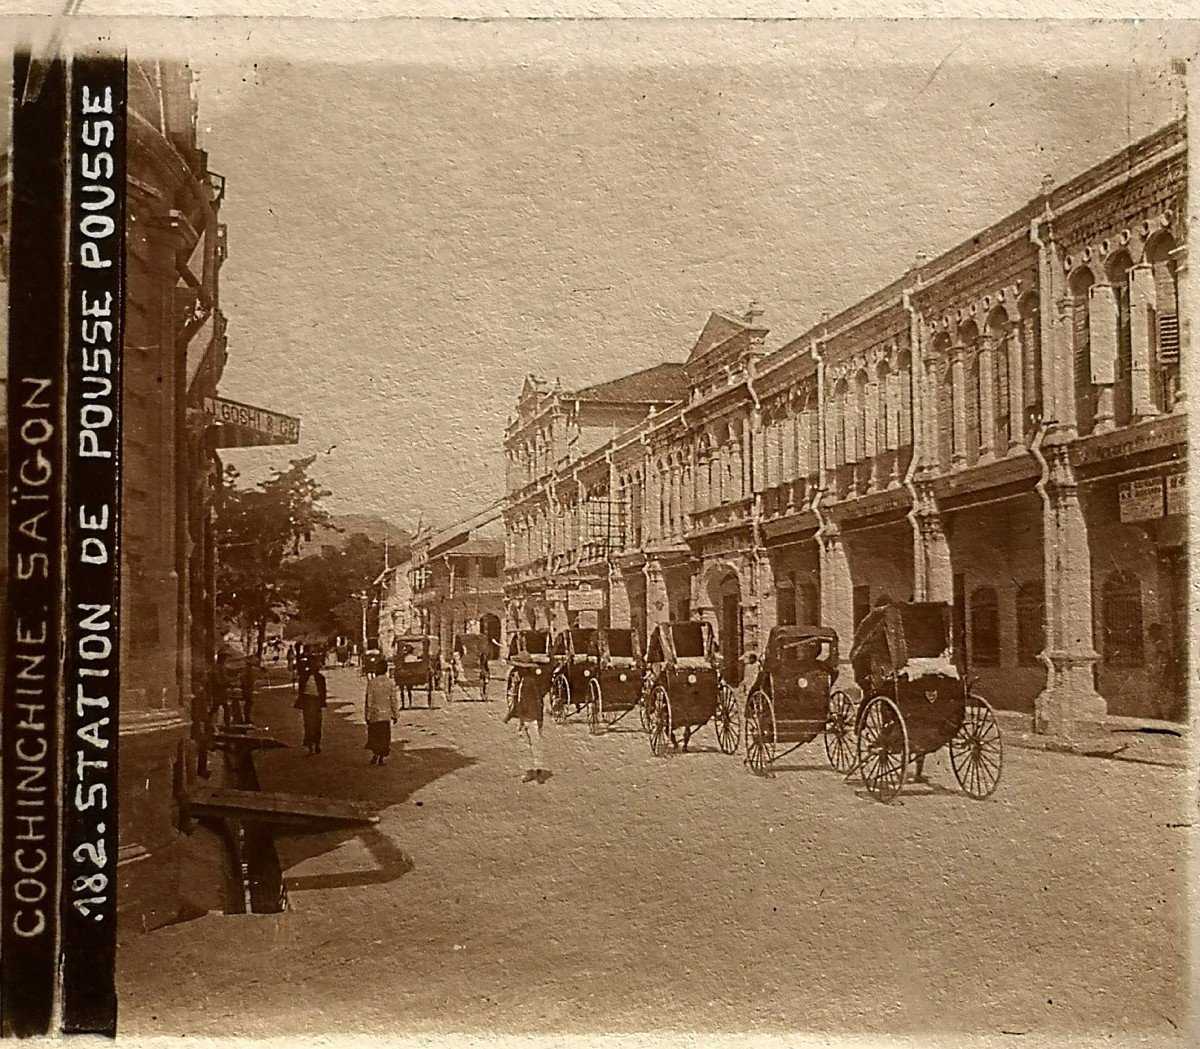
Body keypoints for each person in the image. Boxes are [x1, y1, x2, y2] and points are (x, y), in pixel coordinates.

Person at [504, 673, 549, 784]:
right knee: (525, 744)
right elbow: (517, 702)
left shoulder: (529, 682)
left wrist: (539, 719)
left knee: (535, 743)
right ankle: (530, 771)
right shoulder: (522, 683)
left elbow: (537, 701)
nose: (514, 676)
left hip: (531, 717)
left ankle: (538, 772)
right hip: (525, 718)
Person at [364, 657, 399, 765]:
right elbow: (393, 700)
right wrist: (395, 714)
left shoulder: (372, 683)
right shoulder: (390, 683)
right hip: (385, 715)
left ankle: (375, 755)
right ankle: (381, 759)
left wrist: (367, 715)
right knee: (384, 737)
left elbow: (369, 700)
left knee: (375, 736)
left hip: (375, 714)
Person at [294, 659, 328, 755]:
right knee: (309, 725)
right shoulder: (304, 677)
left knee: (317, 725)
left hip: (316, 702)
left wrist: (322, 701)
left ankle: (317, 745)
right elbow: (300, 691)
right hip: (307, 702)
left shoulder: (320, 678)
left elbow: (323, 691)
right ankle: (310, 747)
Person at [239, 655, 260, 724]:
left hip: (248, 687)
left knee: (249, 703)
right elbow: (243, 678)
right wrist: (246, 685)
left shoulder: (248, 669)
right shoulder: (247, 669)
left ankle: (247, 718)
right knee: (248, 702)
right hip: (247, 688)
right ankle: (247, 718)